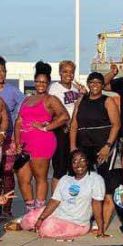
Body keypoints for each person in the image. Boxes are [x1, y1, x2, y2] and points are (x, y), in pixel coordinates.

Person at [15, 61, 69, 210]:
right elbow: (19, 121)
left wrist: (47, 128)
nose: (40, 84)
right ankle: (30, 210)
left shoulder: (51, 99)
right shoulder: (27, 99)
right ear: (34, 82)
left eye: (44, 82)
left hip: (42, 143)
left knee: (40, 177)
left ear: (48, 83)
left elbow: (64, 116)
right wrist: (17, 142)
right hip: (24, 145)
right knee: (23, 178)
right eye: (38, 81)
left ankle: (39, 211)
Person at [20, 150, 105, 239]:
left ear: (88, 162)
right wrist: (41, 218)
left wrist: (100, 228)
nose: (78, 165)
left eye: (82, 160)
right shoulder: (65, 179)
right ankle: (41, 223)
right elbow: (54, 201)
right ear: (71, 165)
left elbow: (96, 204)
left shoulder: (95, 179)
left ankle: (46, 225)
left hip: (77, 222)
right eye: (74, 162)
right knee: (27, 220)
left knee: (46, 228)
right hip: (58, 214)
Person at [0, 56, 25, 217]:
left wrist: (16, 119)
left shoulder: (12, 91)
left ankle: (6, 210)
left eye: (3, 71)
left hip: (8, 138)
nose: (0, 74)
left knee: (7, 173)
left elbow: (25, 104)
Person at [69, 72, 120, 180]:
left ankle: (105, 197)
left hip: (103, 146)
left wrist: (108, 146)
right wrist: (73, 147)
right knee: (84, 177)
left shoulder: (108, 101)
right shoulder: (80, 100)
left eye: (98, 82)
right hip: (84, 145)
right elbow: (73, 125)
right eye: (92, 82)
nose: (95, 85)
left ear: (102, 85)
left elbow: (116, 125)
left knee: (104, 178)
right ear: (88, 84)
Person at [49, 60, 85, 192]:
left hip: (76, 130)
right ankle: (55, 203)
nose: (68, 74)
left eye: (71, 72)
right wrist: (65, 123)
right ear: (59, 72)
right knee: (60, 168)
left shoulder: (76, 88)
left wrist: (83, 94)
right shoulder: (55, 88)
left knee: (75, 166)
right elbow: (55, 110)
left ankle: (72, 199)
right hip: (62, 130)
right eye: (65, 71)